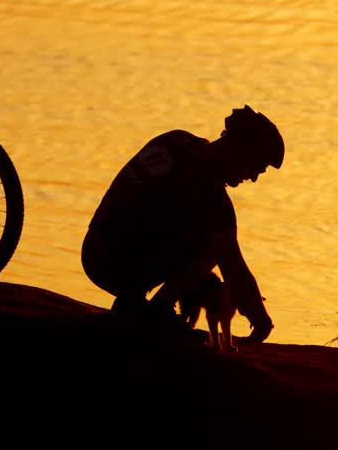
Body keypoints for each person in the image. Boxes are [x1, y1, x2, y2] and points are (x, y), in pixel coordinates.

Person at [81, 105, 284, 343]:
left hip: (94, 250)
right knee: (214, 246)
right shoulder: (212, 197)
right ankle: (157, 310)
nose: (253, 177)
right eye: (255, 167)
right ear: (240, 151)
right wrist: (260, 320)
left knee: (211, 235)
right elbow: (233, 267)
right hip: (118, 264)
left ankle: (134, 302)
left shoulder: (176, 139)